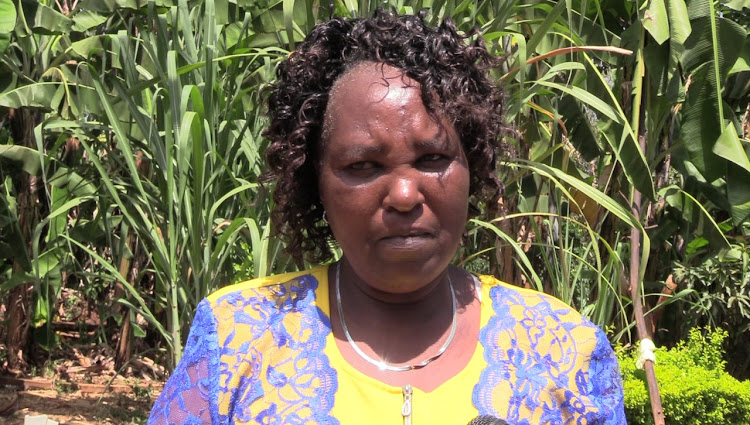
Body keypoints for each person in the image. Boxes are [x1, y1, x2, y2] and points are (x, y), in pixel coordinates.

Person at [147, 9, 626, 425]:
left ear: (472, 167)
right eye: (363, 166)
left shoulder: (563, 350)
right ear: (316, 182)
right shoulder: (239, 338)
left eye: (433, 159)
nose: (402, 194)